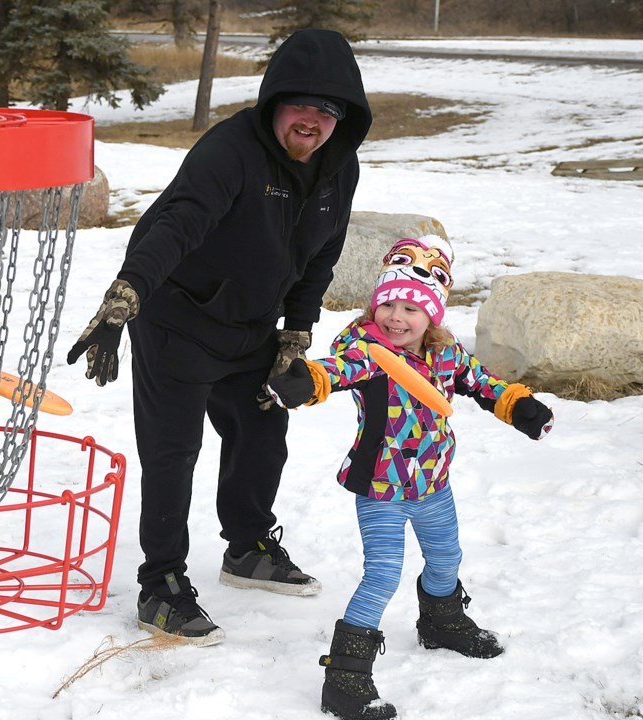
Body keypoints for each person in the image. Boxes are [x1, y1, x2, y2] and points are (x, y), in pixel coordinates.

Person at [66, 28, 372, 646]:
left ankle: (249, 547)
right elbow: (179, 222)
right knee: (173, 452)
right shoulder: (231, 150)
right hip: (179, 319)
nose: (313, 119)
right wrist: (128, 293)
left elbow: (322, 254)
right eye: (301, 103)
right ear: (273, 102)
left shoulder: (340, 169)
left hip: (253, 326)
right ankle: (162, 585)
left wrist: (297, 329)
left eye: (330, 108)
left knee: (262, 432)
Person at [267, 235, 554, 719]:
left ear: (432, 316)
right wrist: (305, 381)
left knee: (446, 557)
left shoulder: (446, 355)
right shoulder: (369, 353)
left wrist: (517, 405)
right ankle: (345, 676)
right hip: (381, 488)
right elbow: (333, 371)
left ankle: (442, 623)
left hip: (433, 484)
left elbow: (485, 384)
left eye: (410, 309)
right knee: (382, 574)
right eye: (389, 304)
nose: (397, 317)